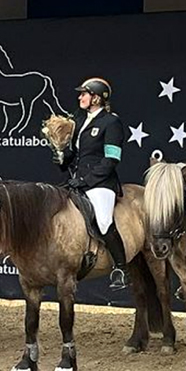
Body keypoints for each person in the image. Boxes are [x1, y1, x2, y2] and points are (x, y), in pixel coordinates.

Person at [57, 77, 128, 290]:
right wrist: (61, 153)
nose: (80, 97)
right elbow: (74, 155)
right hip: (77, 180)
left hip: (101, 183)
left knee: (104, 221)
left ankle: (121, 268)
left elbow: (111, 159)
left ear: (96, 98)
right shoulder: (78, 121)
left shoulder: (111, 122)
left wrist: (87, 180)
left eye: (84, 94)